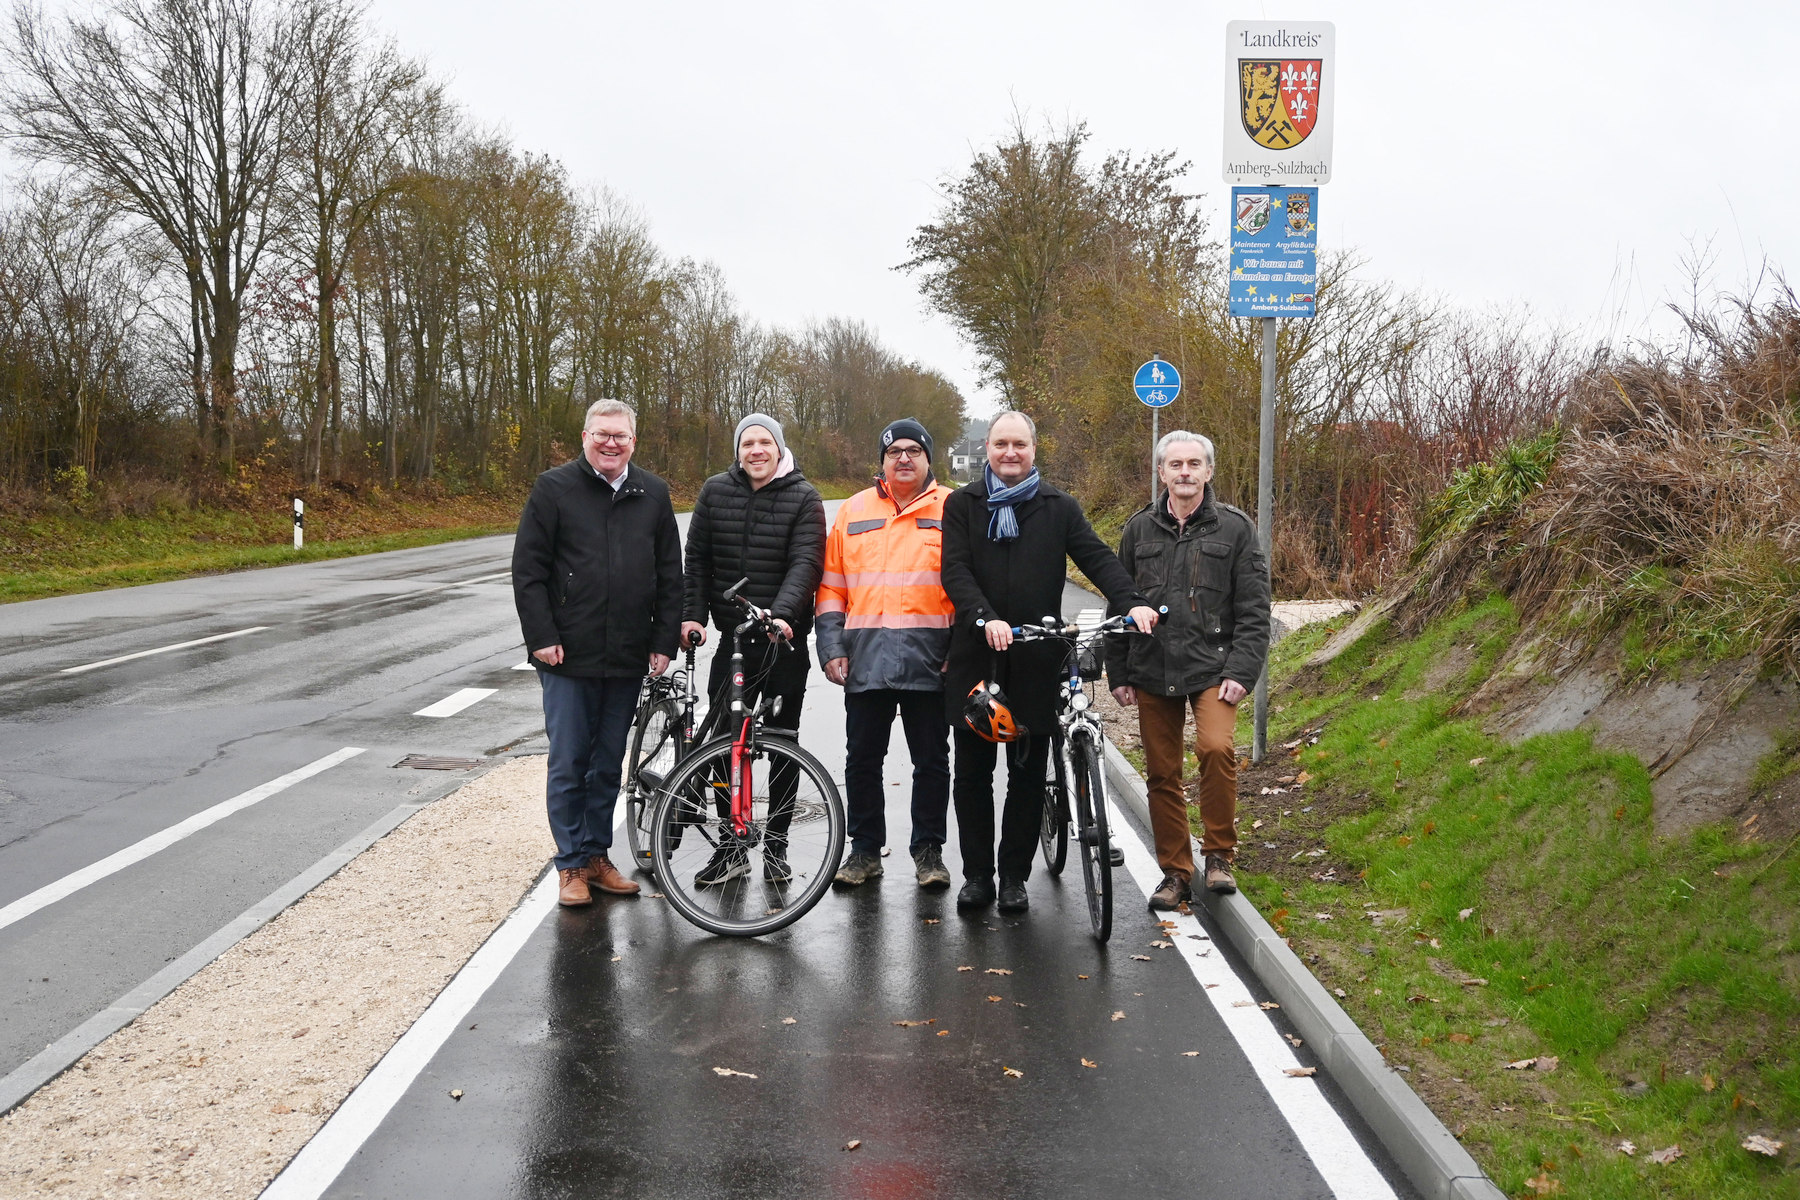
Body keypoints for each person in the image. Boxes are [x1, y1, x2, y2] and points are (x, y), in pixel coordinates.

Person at [941, 411, 1159, 914]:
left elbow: (1097, 558)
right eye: (1001, 444)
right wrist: (984, 618)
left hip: (1036, 655)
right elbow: (954, 569)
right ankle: (978, 876)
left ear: (1033, 450)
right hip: (978, 654)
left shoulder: (1058, 507)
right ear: (988, 450)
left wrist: (1132, 601)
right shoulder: (963, 505)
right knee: (972, 775)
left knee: (1026, 772)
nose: (1010, 453)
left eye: (1019, 444)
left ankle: (1015, 876)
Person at [513, 399, 682, 907]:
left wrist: (662, 640)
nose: (611, 444)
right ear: (585, 437)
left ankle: (596, 856)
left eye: (621, 436)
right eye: (602, 435)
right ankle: (569, 865)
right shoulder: (554, 489)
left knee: (607, 763)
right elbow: (529, 571)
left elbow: (670, 574)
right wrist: (542, 636)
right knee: (569, 761)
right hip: (567, 654)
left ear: (634, 440)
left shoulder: (652, 493)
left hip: (627, 654)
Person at [1105, 430, 1270, 907]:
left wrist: (1242, 671)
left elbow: (1255, 609)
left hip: (1214, 667)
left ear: (1208, 472)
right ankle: (1176, 872)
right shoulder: (1138, 530)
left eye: (1193, 464)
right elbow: (1121, 599)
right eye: (1175, 465)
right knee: (1161, 772)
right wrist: (1119, 673)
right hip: (1152, 667)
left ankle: (1218, 855)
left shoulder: (1236, 529)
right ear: (1161, 473)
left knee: (1217, 749)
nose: (1184, 472)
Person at [679, 413, 826, 885]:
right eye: (748, 443)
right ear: (738, 450)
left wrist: (781, 614)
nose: (756, 450)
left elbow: (806, 562)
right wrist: (692, 616)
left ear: (780, 449)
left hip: (784, 642)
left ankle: (778, 846)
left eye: (766, 442)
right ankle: (732, 844)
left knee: (782, 743)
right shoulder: (715, 491)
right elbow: (697, 558)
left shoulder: (804, 498)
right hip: (734, 642)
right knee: (725, 745)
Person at [815, 418, 955, 891]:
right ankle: (864, 851)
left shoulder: (953, 508)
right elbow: (831, 587)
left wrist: (960, 650)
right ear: (881, 460)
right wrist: (831, 646)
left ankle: (928, 851)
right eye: (894, 451)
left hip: (931, 659)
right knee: (862, 760)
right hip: (865, 658)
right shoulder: (853, 511)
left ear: (928, 458)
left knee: (932, 761)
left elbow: (966, 585)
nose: (904, 458)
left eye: (914, 450)